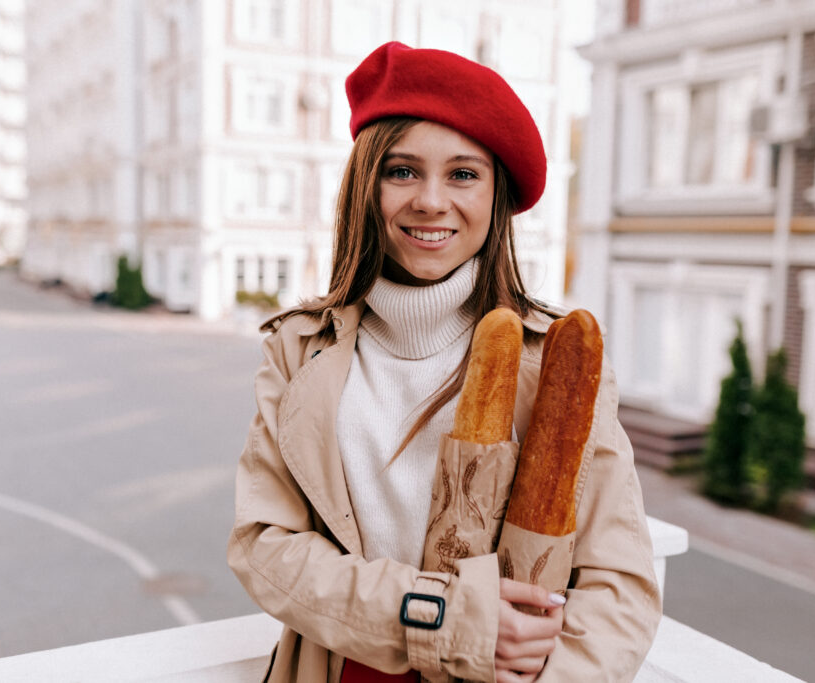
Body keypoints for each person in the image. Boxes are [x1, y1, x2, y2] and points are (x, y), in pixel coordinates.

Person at [227, 41, 661, 683]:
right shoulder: (299, 349)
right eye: (402, 171)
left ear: (497, 197)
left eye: (463, 174)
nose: (431, 201)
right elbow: (266, 546)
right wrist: (444, 618)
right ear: (364, 186)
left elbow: (620, 584)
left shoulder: (556, 363)